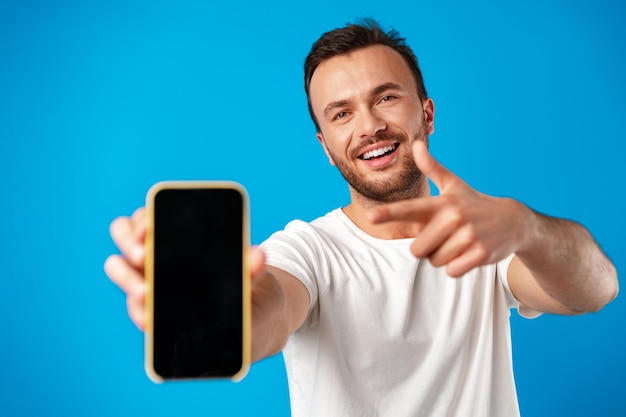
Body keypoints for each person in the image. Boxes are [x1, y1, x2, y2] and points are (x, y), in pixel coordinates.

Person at [105, 19, 618, 417]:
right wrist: (226, 310)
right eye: (341, 113)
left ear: (428, 113)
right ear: (325, 147)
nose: (370, 126)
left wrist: (527, 228)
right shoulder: (307, 249)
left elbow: (596, 289)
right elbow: (270, 314)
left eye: (386, 97)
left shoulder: (482, 232)